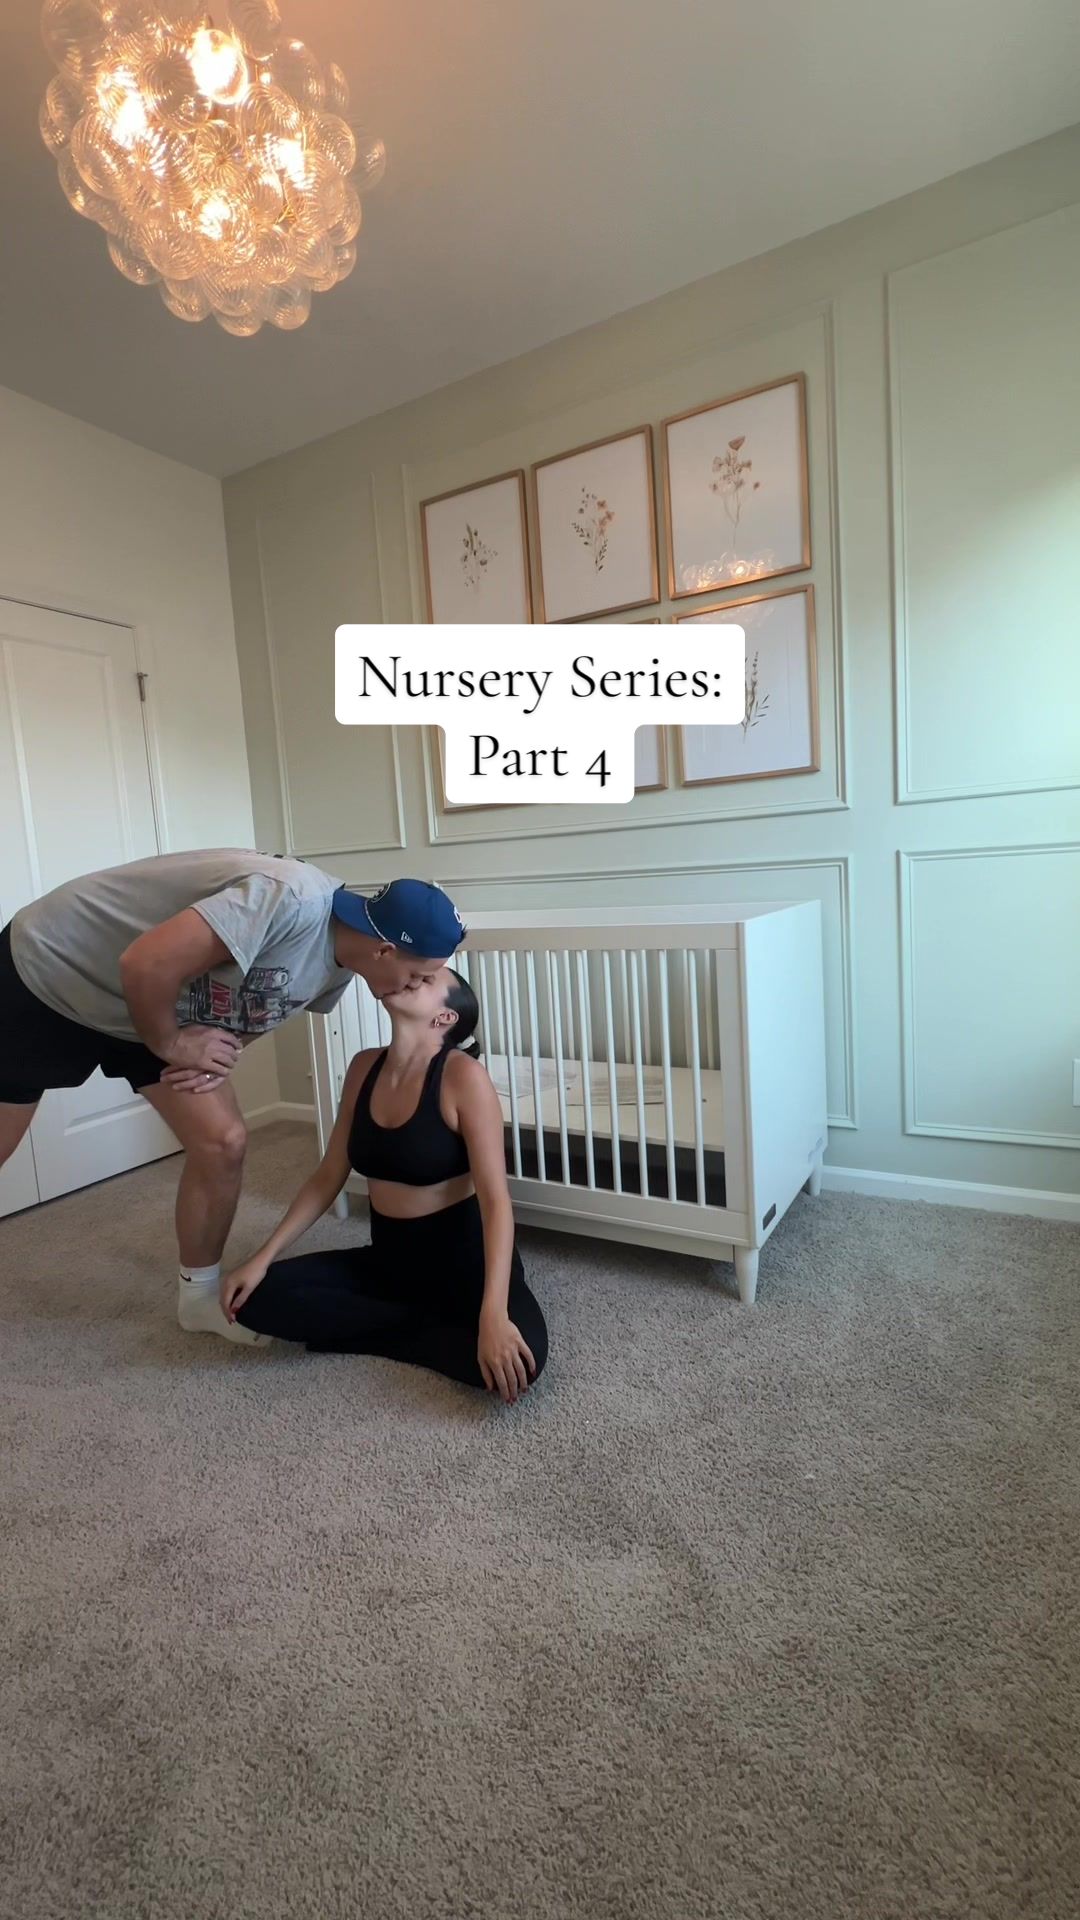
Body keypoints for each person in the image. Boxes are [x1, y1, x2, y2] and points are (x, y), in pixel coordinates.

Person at [0, 856, 465, 1342]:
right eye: (420, 974)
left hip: (159, 1008)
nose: (418, 985)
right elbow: (144, 963)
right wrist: (172, 1044)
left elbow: (256, 1010)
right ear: (385, 950)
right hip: (54, 974)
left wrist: (211, 1055)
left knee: (223, 1141)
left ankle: (197, 1300)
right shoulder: (290, 899)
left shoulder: (340, 969)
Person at [220, 967, 548, 1405]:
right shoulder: (363, 1067)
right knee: (253, 1300)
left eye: (428, 979)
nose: (412, 976)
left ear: (445, 1017)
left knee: (524, 1360)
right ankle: (422, 1324)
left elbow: (496, 1203)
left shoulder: (463, 1077)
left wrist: (493, 1314)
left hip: (463, 1265)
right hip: (389, 1264)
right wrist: (262, 1258)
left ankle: (399, 1326)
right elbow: (328, 1175)